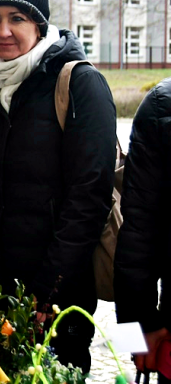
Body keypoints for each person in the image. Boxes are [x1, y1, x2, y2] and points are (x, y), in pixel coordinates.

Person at [0, 0, 116, 372]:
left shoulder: (79, 84)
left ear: (40, 24)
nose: (3, 31)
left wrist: (47, 289)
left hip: (57, 294)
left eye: (18, 18)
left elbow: (90, 195)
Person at [115, 77, 171, 382]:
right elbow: (139, 232)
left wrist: (137, 333)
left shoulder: (160, 104)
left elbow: (138, 231)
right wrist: (138, 330)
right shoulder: (161, 106)